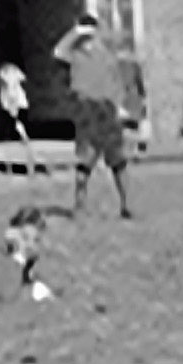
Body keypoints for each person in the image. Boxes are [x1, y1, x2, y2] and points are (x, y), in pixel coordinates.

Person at [53, 15, 136, 220]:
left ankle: (127, 204)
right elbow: (58, 52)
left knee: (117, 159)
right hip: (85, 107)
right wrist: (76, 32)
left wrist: (120, 105)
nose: (88, 36)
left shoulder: (106, 55)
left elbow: (116, 80)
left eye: (91, 31)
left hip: (106, 108)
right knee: (85, 158)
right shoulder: (75, 53)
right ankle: (79, 206)